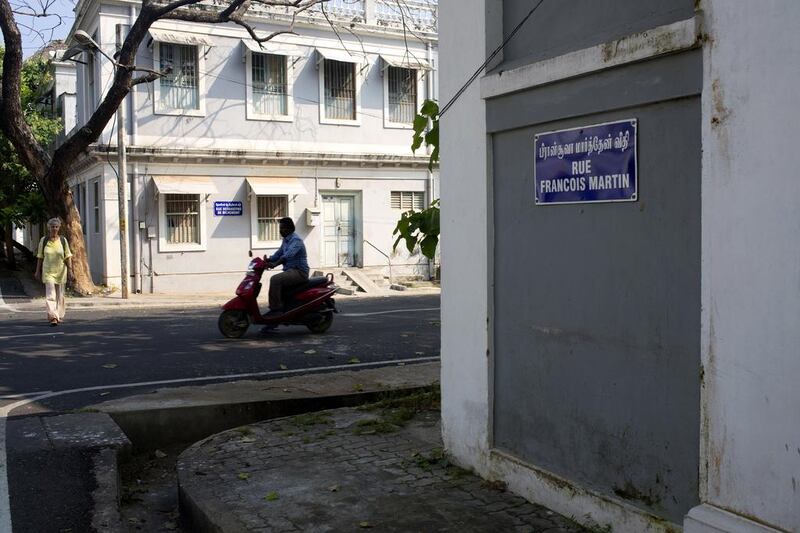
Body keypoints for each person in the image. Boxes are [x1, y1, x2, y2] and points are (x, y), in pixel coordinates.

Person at [265, 217, 309, 314]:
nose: (280, 230)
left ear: (290, 229)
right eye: (280, 228)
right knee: (279, 284)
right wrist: (268, 260)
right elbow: (279, 253)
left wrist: (275, 264)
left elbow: (287, 255)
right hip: (290, 271)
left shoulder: (296, 240)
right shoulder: (286, 240)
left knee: (275, 279)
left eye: (283, 228)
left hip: (299, 271)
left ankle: (276, 309)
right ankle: (281, 308)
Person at [35, 217, 73, 326]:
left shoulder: (63, 240)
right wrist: (37, 271)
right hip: (48, 272)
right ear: (49, 228)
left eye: (56, 227)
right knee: (51, 294)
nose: (54, 229)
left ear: (59, 228)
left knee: (60, 295)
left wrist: (70, 271)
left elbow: (68, 256)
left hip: (61, 271)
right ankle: (53, 317)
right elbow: (40, 256)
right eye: (52, 227)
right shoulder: (44, 240)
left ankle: (58, 315)